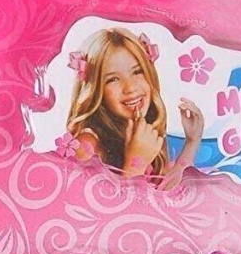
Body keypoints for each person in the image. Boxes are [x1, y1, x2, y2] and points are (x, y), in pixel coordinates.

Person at [65, 27, 203, 186]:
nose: (130, 87)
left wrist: (192, 141)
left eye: (137, 72)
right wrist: (135, 165)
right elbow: (95, 202)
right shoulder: (86, 145)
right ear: (95, 89)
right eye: (113, 79)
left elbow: (165, 192)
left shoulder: (142, 131)